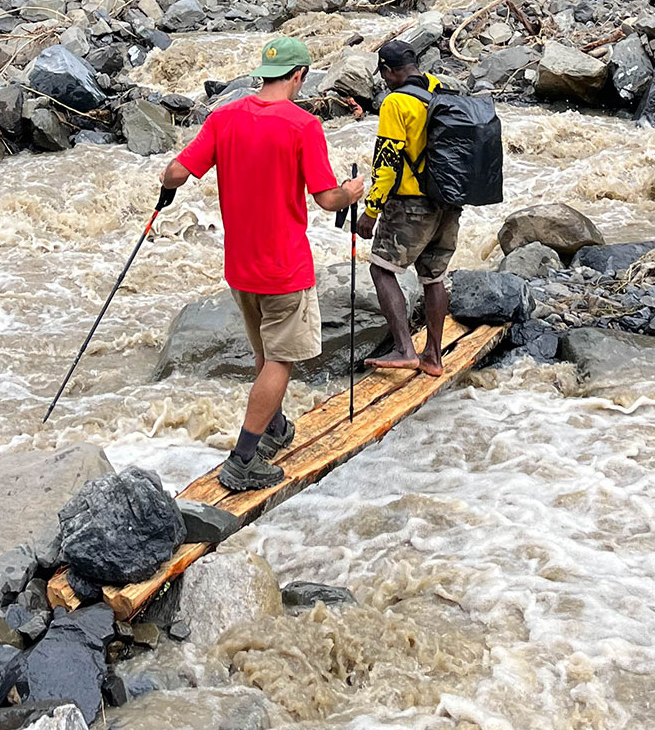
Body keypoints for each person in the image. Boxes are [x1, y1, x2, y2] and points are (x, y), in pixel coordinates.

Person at [159, 35, 365, 492]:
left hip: (240, 267)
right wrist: (351, 193)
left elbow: (177, 171)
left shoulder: (224, 117)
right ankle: (243, 460)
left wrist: (167, 181)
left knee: (262, 351)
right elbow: (327, 199)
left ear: (262, 75)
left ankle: (274, 428)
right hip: (284, 268)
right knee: (280, 361)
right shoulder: (302, 125)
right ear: (299, 76)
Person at [357, 39, 459, 379]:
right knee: (434, 277)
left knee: (382, 269)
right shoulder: (441, 88)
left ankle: (405, 348)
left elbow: (387, 162)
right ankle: (433, 354)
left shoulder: (395, 102)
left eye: (383, 74)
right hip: (449, 201)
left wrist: (371, 211)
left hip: (411, 205)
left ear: (389, 71)